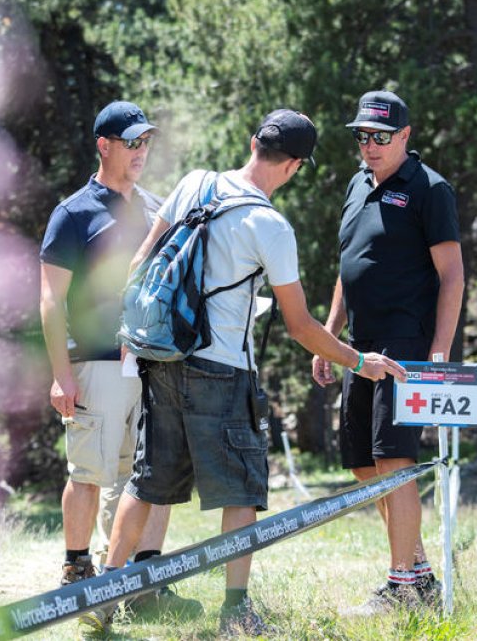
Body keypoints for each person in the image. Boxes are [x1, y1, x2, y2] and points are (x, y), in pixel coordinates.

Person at [89, 109, 406, 636]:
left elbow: (140, 263)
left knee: (147, 481)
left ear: (254, 142)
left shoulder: (195, 182)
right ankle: (235, 612)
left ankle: (103, 594)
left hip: (161, 358)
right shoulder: (270, 226)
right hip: (222, 368)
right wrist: (358, 361)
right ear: (296, 166)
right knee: (239, 490)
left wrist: (136, 337)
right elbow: (301, 325)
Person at [38, 101, 200, 619]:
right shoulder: (74, 212)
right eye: (131, 142)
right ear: (102, 146)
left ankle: (134, 581)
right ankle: (77, 572)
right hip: (97, 365)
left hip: (153, 364)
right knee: (89, 473)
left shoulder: (156, 209)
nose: (140, 151)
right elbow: (48, 299)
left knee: (144, 475)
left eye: (146, 141)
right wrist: (61, 374)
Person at [312, 90, 465, 615]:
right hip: (359, 346)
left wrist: (439, 351)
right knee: (361, 464)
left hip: (406, 345)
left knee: (394, 459)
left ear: (404, 136)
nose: (369, 146)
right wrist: (330, 337)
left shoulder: (430, 189)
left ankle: (403, 586)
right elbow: (348, 265)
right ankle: (419, 575)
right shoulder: (357, 185)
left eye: (380, 137)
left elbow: (452, 275)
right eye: (362, 136)